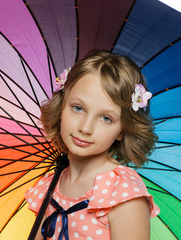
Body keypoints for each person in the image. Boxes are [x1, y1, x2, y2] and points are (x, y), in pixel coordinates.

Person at [25, 49, 160, 240]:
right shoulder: (52, 184)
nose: (86, 128)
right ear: (62, 106)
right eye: (78, 108)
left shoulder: (121, 192)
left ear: (122, 129)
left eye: (106, 118)